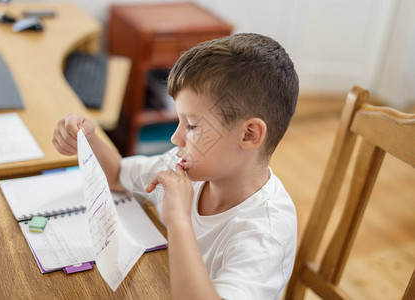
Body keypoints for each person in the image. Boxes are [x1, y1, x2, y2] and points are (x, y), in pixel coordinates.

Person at [53, 33, 299, 300]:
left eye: (191, 125)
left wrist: (178, 220)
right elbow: (116, 175)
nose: (175, 138)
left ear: (249, 135)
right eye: (179, 120)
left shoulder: (265, 233)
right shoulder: (186, 164)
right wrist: (88, 139)